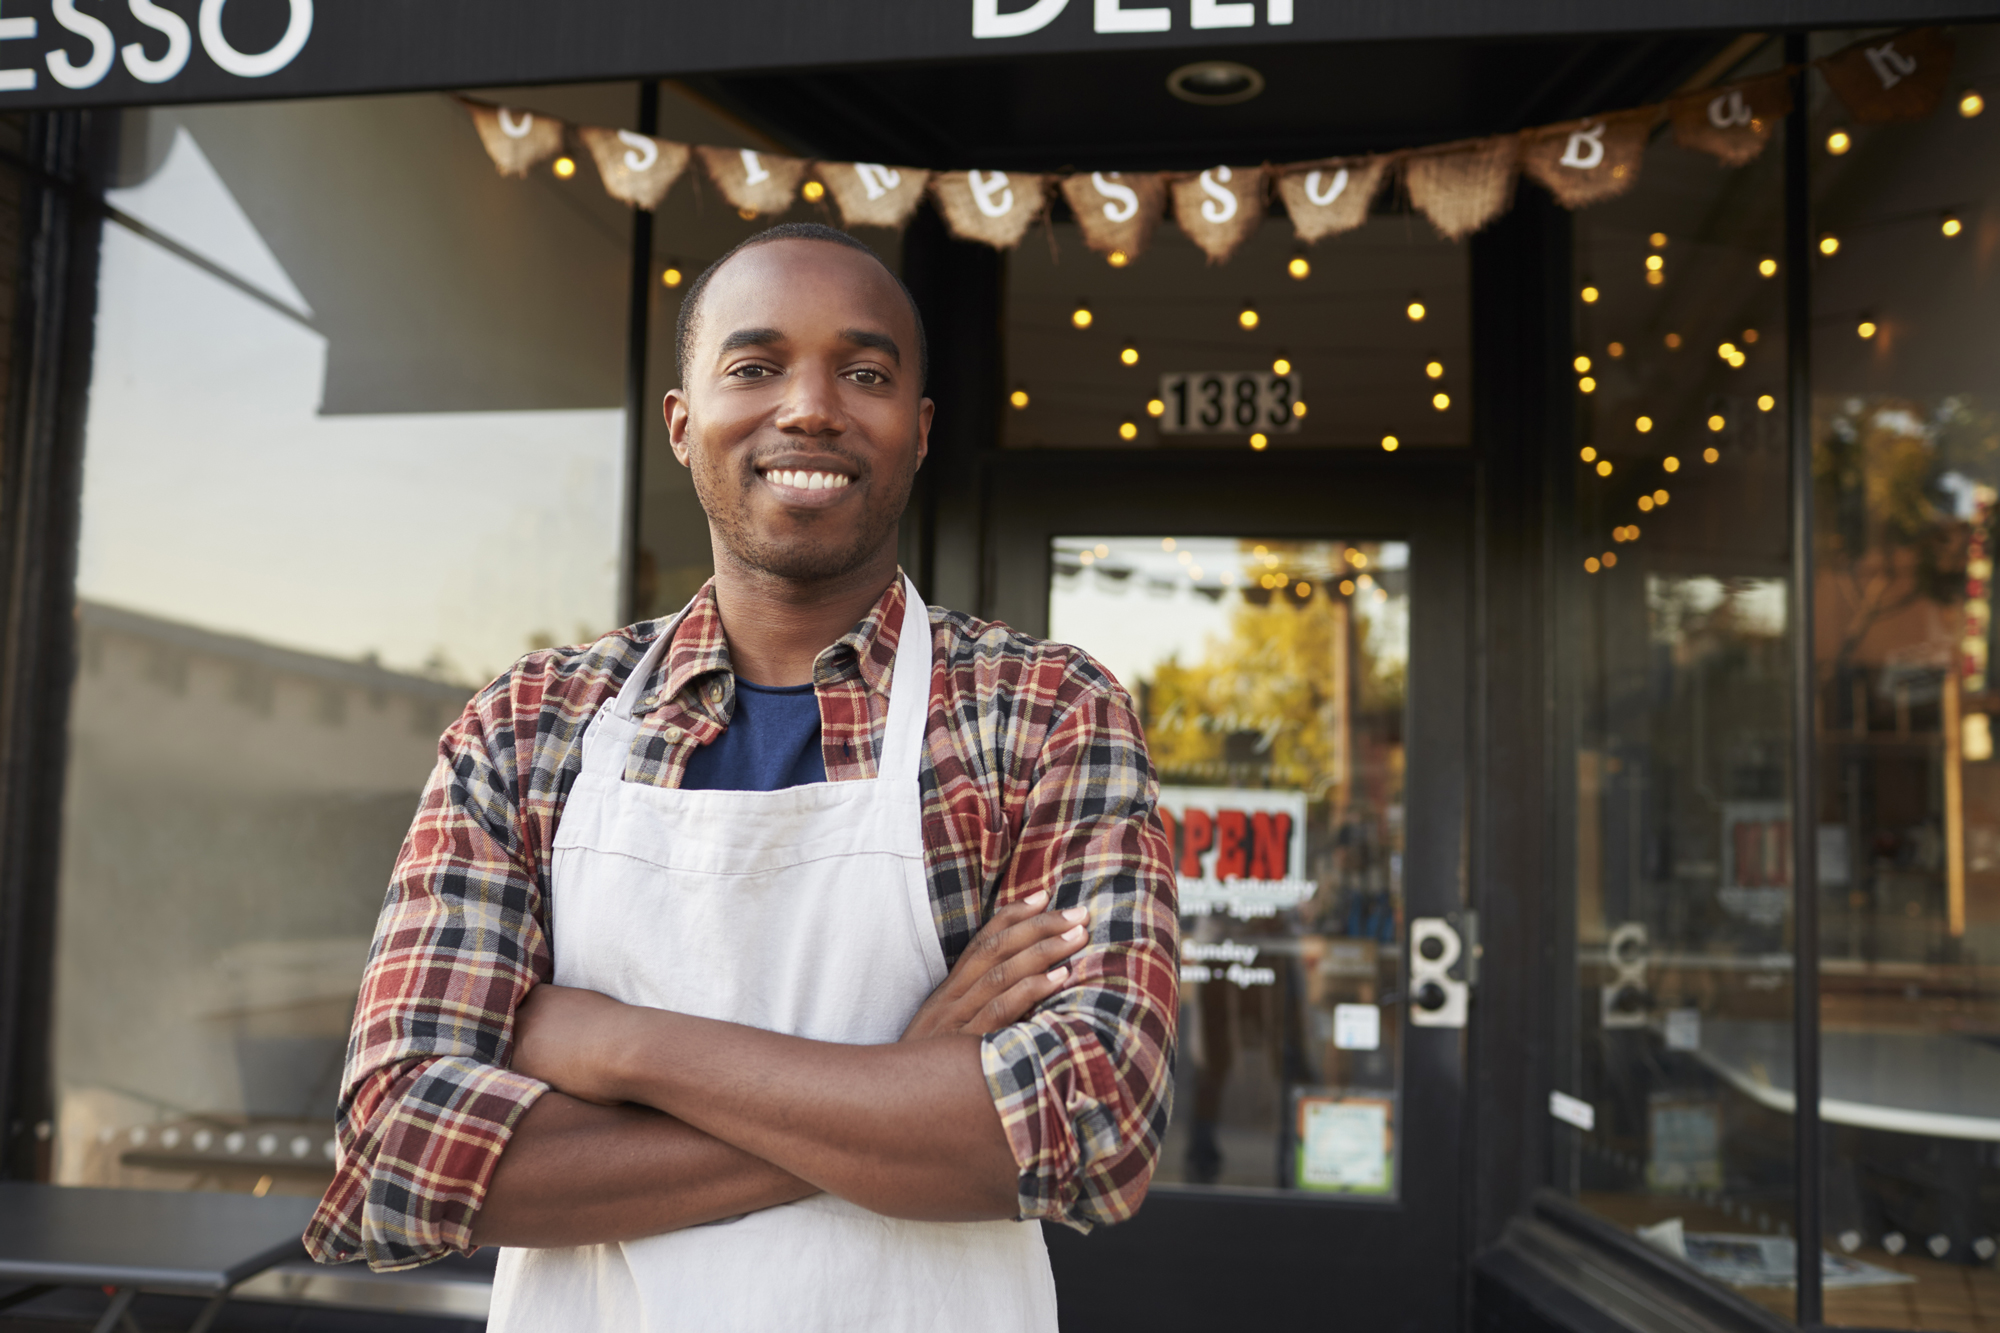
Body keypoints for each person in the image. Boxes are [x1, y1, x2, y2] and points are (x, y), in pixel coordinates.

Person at [304, 222, 1180, 1330]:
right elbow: (399, 1159)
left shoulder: (1042, 713)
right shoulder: (529, 727)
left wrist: (625, 1047)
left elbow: (1086, 1132)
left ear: (917, 434)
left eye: (863, 373)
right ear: (683, 424)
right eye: (754, 366)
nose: (810, 406)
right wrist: (900, 1078)